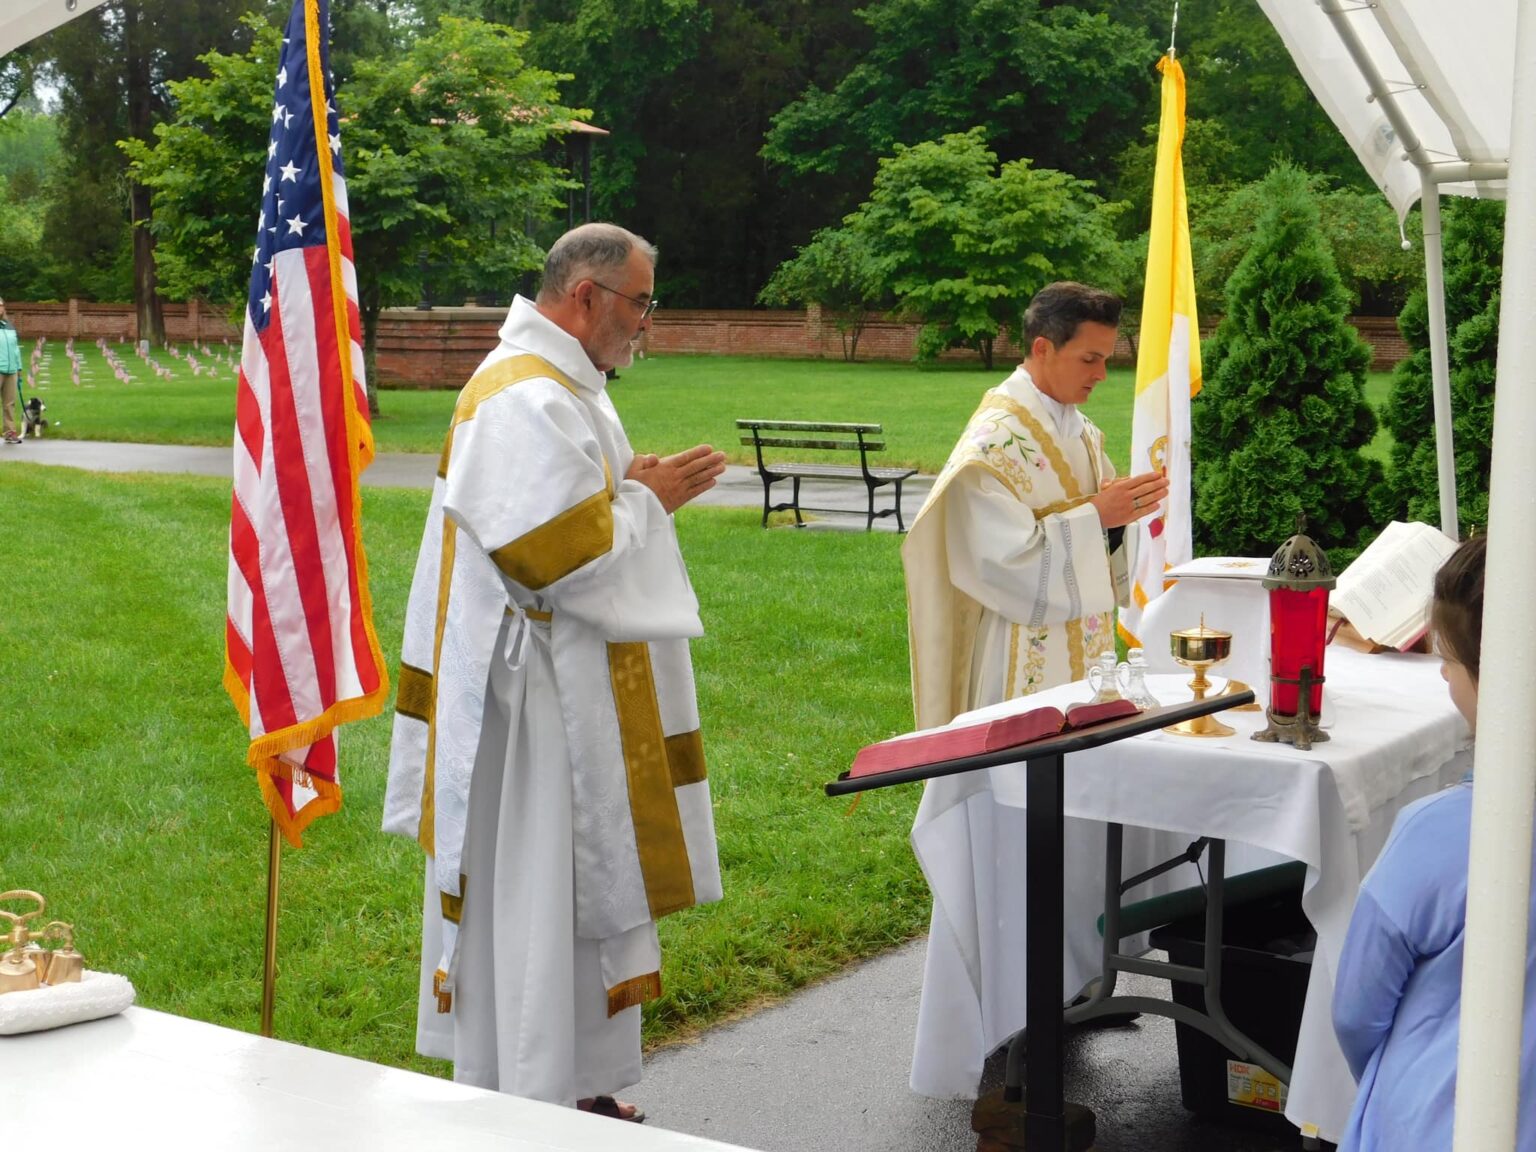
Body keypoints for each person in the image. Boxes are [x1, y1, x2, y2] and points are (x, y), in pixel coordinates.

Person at [383, 223, 727, 1122]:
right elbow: (549, 554)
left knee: (578, 887)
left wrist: (631, 486)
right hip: (534, 701)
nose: (646, 322)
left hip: (570, 680)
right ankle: (527, 1090)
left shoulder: (564, 380)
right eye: (640, 302)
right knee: (540, 886)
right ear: (586, 295)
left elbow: (574, 503)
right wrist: (650, 500)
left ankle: (573, 1081)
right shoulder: (520, 395)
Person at [1332, 534, 1527, 1151]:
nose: (1445, 677)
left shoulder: (1442, 832)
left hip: (1439, 1118)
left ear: (1488, 676)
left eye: (1447, 660)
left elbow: (1357, 1011)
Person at [902, 280, 1168, 730]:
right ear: (1043, 348)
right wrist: (1100, 515)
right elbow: (1000, 563)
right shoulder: (993, 442)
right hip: (1020, 651)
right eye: (1090, 359)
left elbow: (1099, 524)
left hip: (1088, 645)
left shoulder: (1082, 429)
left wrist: (1120, 517)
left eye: (1106, 359)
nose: (1102, 374)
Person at [0, 298, 22, 446]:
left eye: (1, 306)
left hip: (11, 370)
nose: (0, 309)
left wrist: (19, 368)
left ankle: (9, 432)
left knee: (9, 403)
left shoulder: (10, 326)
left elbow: (16, 350)